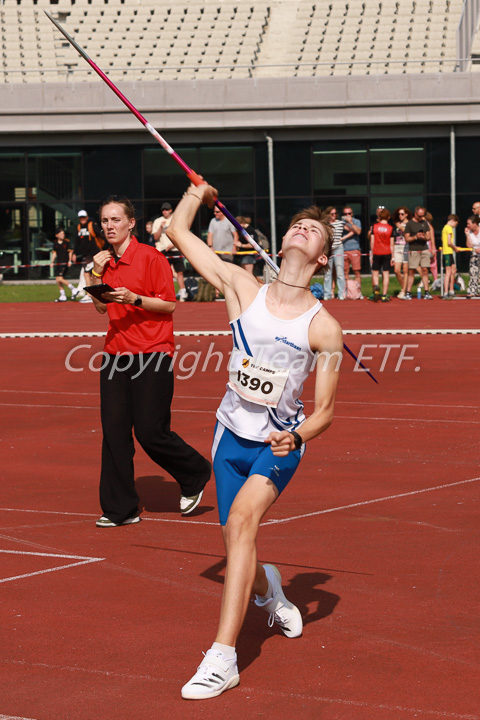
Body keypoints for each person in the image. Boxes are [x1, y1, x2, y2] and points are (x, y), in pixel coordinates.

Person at [167, 181, 343, 701]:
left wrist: (296, 433)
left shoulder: (324, 328)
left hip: (276, 444)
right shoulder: (242, 287)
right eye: (297, 224)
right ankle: (270, 589)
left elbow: (327, 411)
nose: (303, 228)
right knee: (234, 544)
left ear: (322, 257)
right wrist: (198, 193)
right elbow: (178, 231)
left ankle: (224, 657)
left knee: (242, 522)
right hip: (229, 436)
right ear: (284, 241)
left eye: (314, 230)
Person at [89, 195, 211, 528]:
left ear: (131, 223)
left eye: (116, 220)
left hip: (152, 352)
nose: (110, 226)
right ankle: (121, 508)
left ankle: (195, 470)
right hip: (115, 354)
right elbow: (101, 307)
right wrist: (94, 274)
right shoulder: (104, 263)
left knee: (150, 431)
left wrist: (135, 299)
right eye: (104, 221)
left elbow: (169, 305)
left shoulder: (151, 257)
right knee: (114, 433)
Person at [153, 202, 188, 302]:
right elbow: (155, 237)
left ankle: (183, 292)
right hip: (163, 250)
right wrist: (161, 227)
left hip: (175, 249)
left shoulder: (175, 220)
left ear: (170, 210)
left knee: (179, 272)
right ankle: (166, 294)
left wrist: (172, 245)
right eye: (163, 210)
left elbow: (182, 234)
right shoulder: (158, 221)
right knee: (164, 273)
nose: (164, 212)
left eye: (166, 210)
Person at [74, 209, 104, 304]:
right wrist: (74, 253)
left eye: (83, 217)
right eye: (80, 217)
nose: (82, 219)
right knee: (88, 274)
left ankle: (90, 295)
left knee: (88, 274)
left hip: (93, 253)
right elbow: (77, 241)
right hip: (85, 255)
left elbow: (100, 235)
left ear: (87, 217)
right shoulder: (79, 227)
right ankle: (93, 294)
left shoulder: (92, 225)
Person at [404, 206, 433, 300]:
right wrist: (416, 237)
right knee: (411, 271)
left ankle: (427, 292)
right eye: (420, 216)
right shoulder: (409, 224)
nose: (421, 217)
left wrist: (423, 237)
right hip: (414, 250)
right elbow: (407, 238)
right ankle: (408, 292)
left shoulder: (425, 223)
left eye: (423, 215)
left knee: (425, 270)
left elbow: (429, 236)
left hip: (424, 249)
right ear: (415, 214)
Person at [368, 208, 394, 302]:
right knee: (386, 273)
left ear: (379, 216)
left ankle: (376, 289)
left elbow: (372, 241)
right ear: (388, 217)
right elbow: (392, 244)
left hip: (377, 252)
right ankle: (384, 295)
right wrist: (393, 257)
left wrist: (372, 253)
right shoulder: (390, 228)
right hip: (387, 252)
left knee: (375, 272)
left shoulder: (374, 227)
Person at [50, 225, 79, 302]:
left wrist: (69, 260)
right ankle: (62, 295)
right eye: (61, 234)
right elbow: (54, 253)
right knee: (57, 279)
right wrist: (52, 262)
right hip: (58, 263)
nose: (63, 235)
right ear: (57, 235)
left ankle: (73, 289)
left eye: (63, 233)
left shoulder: (66, 242)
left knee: (60, 278)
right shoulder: (55, 243)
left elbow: (70, 252)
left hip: (65, 262)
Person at [323, 206, 346, 300]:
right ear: (328, 214)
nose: (334, 216)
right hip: (328, 249)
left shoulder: (340, 223)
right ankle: (327, 294)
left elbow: (355, 231)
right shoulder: (325, 224)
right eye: (332, 214)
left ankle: (341, 294)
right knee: (327, 273)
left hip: (339, 248)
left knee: (340, 272)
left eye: (335, 213)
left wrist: (344, 238)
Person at [392, 206, 411, 299]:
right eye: (399, 214)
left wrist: (400, 227)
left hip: (406, 246)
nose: (400, 216)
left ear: (406, 214)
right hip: (397, 247)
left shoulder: (409, 224)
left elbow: (408, 232)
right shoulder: (397, 224)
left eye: (402, 214)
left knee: (405, 270)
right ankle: (405, 288)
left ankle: (403, 291)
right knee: (396, 270)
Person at [341, 205, 362, 292]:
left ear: (352, 214)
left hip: (355, 249)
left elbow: (358, 231)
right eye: (345, 214)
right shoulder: (341, 223)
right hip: (344, 249)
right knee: (345, 272)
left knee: (356, 271)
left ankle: (358, 291)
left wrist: (351, 223)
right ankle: (347, 291)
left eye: (349, 213)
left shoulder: (356, 221)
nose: (348, 215)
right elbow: (353, 231)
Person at [441, 214, 459, 298]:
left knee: (453, 270)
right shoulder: (449, 228)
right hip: (447, 252)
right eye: (455, 224)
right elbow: (449, 242)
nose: (455, 226)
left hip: (449, 252)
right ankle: (446, 292)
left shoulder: (445, 228)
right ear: (452, 221)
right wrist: (455, 248)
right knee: (448, 272)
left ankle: (451, 290)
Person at [465, 214, 480, 298]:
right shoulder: (470, 232)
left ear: (475, 224)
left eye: (469, 223)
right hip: (475, 255)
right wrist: (467, 235)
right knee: (473, 273)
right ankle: (472, 291)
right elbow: (469, 245)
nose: (467, 225)